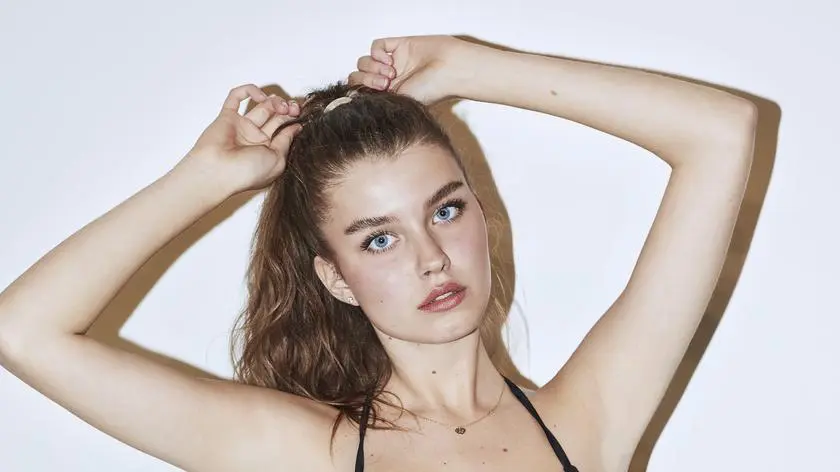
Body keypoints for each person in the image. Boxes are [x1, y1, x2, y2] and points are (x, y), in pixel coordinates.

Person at [0, 35, 756, 471]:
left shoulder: (585, 420)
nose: (432, 257)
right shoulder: (308, 453)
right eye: (380, 238)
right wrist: (202, 180)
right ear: (336, 277)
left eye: (445, 210)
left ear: (483, 218)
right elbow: (24, 332)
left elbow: (723, 133)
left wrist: (468, 66)